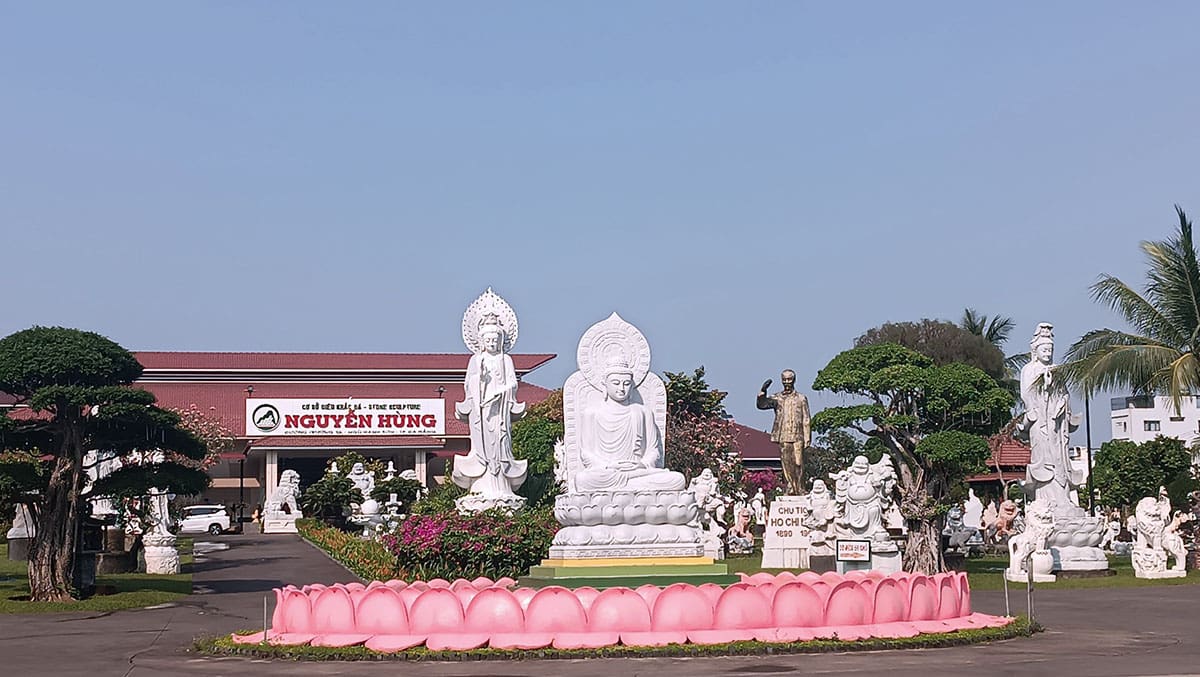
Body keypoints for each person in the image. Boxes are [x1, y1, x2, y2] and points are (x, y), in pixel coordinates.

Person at [576, 356, 686, 491]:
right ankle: (631, 489)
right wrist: (609, 466)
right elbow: (586, 453)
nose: (621, 388)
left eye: (626, 384)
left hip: (638, 471)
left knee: (677, 480)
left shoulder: (643, 412)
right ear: (604, 384)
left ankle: (625, 489)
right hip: (608, 472)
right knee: (582, 480)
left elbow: (653, 450)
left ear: (632, 385)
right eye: (616, 383)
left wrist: (642, 464)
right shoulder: (592, 413)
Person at [452, 313, 528, 497]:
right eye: (489, 340)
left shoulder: (505, 360)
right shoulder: (476, 360)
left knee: (501, 443)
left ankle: (501, 485)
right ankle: (481, 485)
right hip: (481, 410)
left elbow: (513, 383)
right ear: (482, 341)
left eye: (495, 340)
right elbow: (468, 384)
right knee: (482, 446)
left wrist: (501, 392)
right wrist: (480, 379)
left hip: (500, 410)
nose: (492, 343)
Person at [1019, 324, 1083, 508]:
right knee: (1044, 456)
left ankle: (1063, 499)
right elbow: (1026, 395)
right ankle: (1045, 501)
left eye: (1050, 350)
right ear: (1035, 351)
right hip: (1040, 420)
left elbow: (1064, 394)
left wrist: (1062, 405)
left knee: (1060, 456)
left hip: (1057, 422)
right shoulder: (1029, 370)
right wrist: (1044, 387)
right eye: (1044, 349)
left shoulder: (1057, 369)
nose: (1047, 353)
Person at [756, 369, 811, 495]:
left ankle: (801, 488)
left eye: (789, 379)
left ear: (794, 380)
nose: (787, 382)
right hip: (783, 434)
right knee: (786, 463)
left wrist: (807, 437)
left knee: (798, 462)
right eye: (784, 379)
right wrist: (763, 392)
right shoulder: (777, 398)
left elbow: (806, 418)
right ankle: (790, 487)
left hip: (798, 434)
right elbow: (762, 405)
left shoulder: (801, 398)